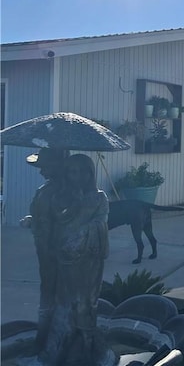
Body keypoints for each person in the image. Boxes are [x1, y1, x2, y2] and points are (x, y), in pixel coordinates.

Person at [37, 154, 115, 366]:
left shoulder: (99, 197)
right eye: (72, 171)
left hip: (88, 260)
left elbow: (102, 222)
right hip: (66, 257)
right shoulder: (63, 197)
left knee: (85, 302)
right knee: (64, 302)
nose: (77, 176)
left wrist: (84, 232)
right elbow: (58, 218)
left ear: (90, 173)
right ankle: (58, 346)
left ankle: (87, 346)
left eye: (82, 171)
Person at [22, 148, 69, 355]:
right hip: (43, 247)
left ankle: (54, 338)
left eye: (46, 167)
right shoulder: (46, 188)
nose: (42, 172)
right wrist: (33, 220)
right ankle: (46, 334)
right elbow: (42, 214)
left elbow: (67, 220)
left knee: (56, 290)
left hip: (57, 249)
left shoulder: (66, 191)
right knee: (47, 288)